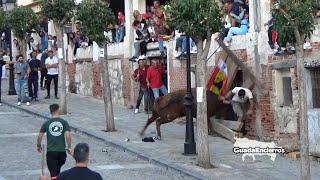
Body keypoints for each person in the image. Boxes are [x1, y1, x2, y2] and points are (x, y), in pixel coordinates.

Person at [37, 104, 72, 180]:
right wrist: (69, 147)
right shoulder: (64, 122)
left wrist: (38, 145)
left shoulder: (47, 123)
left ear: (50, 111)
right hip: (62, 152)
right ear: (58, 110)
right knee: (57, 171)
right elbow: (68, 135)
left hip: (51, 152)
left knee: (54, 174)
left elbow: (40, 136)